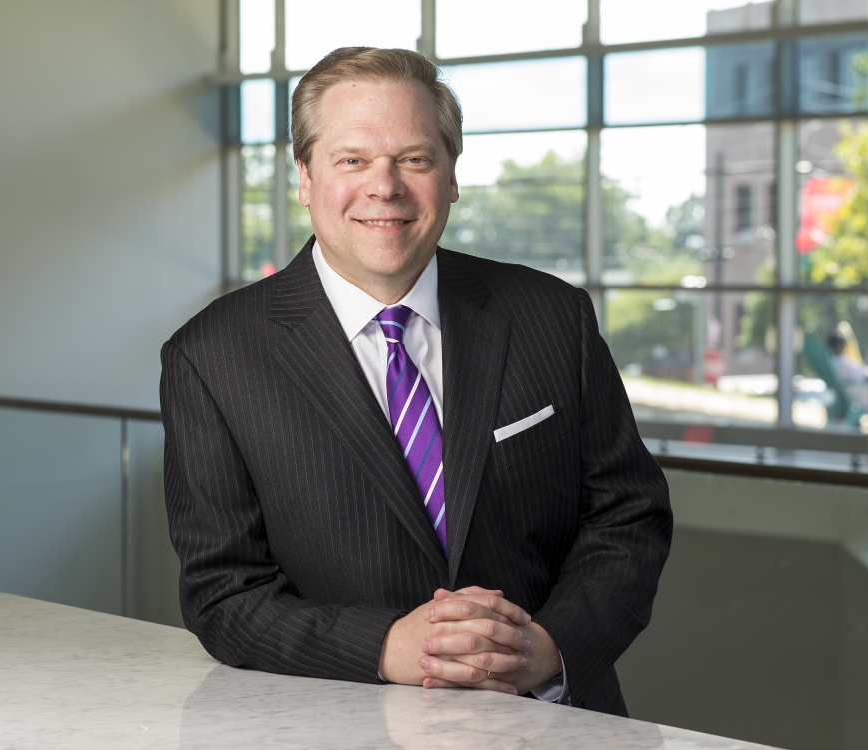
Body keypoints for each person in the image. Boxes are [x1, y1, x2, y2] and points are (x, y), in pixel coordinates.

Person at [160, 47, 672, 715]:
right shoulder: (211, 358)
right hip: (343, 724)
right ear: (305, 177)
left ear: (451, 176)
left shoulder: (553, 316)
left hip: (556, 718)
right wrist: (387, 647)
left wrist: (546, 647)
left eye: (414, 159)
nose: (385, 186)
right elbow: (223, 595)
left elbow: (627, 516)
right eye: (352, 160)